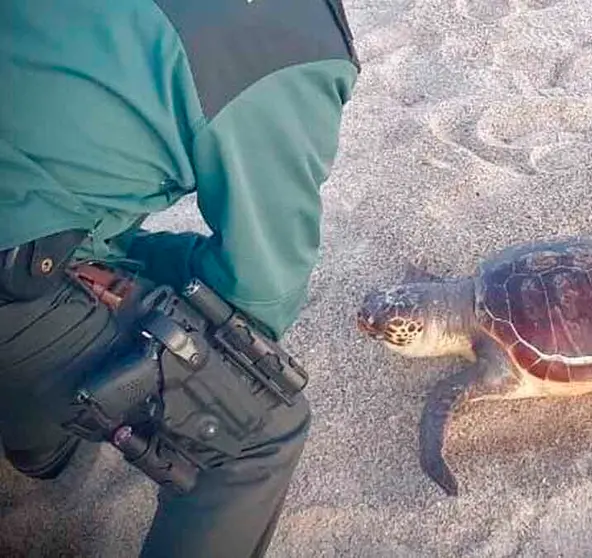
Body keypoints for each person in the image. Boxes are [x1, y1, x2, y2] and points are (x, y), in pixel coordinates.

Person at [0, 1, 360, 556]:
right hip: (17, 261)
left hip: (27, 222)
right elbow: (259, 297)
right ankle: (40, 427)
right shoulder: (289, 39)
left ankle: (39, 440)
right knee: (257, 429)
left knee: (101, 246)